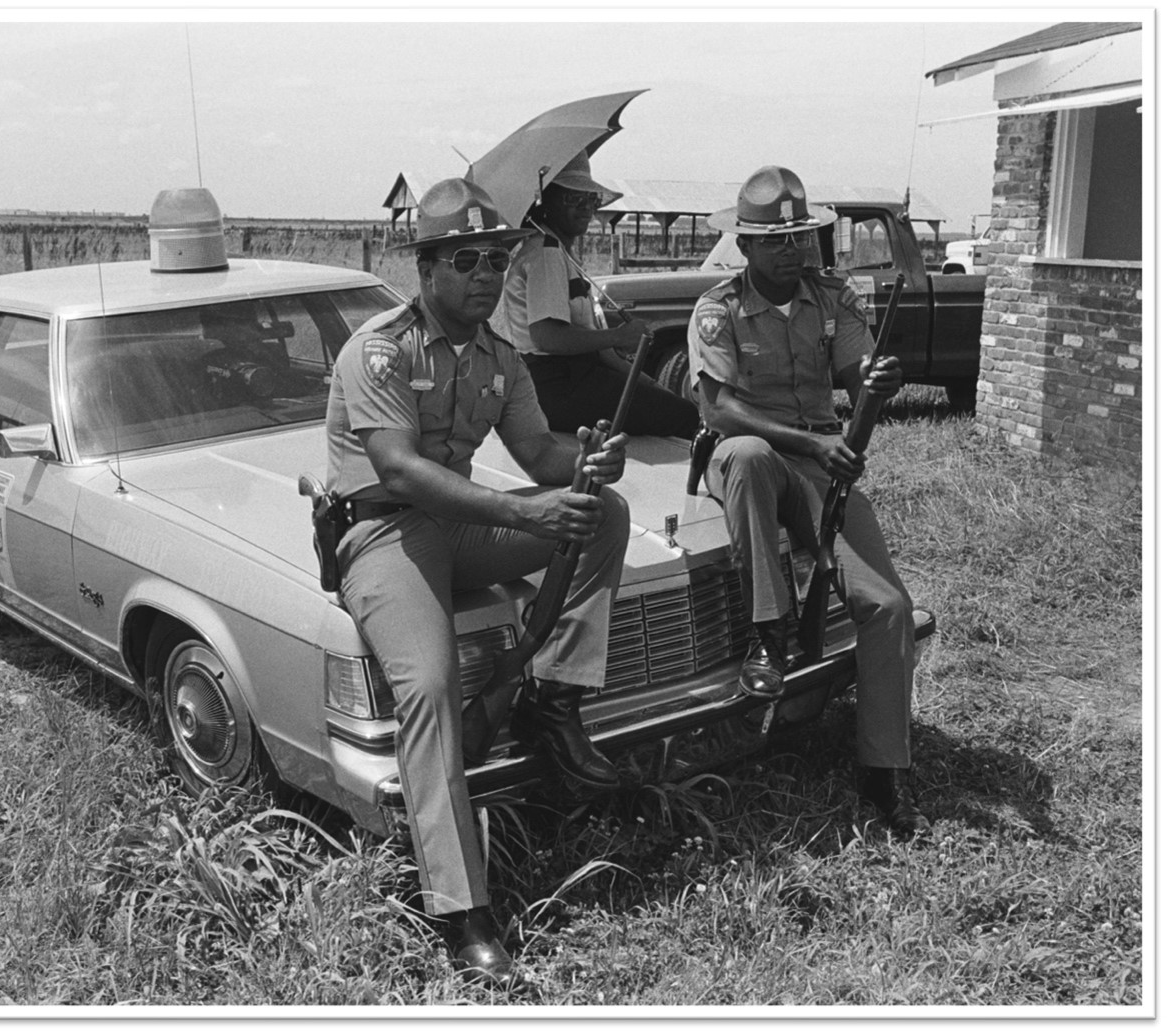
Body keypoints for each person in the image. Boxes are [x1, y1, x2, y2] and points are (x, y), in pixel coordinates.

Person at [325, 177, 632, 984]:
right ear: (426, 269)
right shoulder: (382, 349)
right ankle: (464, 910)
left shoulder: (499, 357)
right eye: (466, 260)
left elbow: (540, 456)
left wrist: (591, 461)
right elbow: (400, 468)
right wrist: (524, 515)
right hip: (384, 530)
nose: (486, 276)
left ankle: (554, 696)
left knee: (603, 511)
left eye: (496, 259)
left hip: (461, 525)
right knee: (426, 688)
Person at [688, 165, 930, 839]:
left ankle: (883, 771)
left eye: (802, 237)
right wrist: (810, 442)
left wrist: (878, 384)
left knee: (888, 608)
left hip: (823, 461)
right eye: (777, 241)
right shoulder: (718, 309)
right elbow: (720, 408)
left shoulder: (833, 298)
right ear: (746, 246)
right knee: (747, 455)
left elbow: (858, 377)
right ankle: (772, 632)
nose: (794, 251)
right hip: (752, 456)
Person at [495, 149, 700, 438]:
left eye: (591, 199)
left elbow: (595, 347)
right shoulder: (546, 253)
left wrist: (646, 382)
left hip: (573, 378)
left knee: (669, 407)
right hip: (558, 385)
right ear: (547, 202)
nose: (585, 208)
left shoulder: (560, 253)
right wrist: (618, 336)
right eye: (573, 198)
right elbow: (547, 337)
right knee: (684, 417)